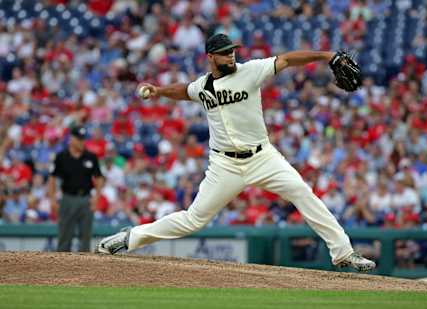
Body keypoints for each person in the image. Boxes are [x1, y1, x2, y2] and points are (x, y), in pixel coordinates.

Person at [96, 34, 376, 271]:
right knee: (193, 219)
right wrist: (158, 90)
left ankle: (343, 252)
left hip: (262, 157)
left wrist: (326, 55)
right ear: (210, 57)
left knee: (302, 192)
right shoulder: (203, 86)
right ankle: (130, 238)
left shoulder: (250, 71)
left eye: (232, 52)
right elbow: (184, 90)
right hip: (224, 165)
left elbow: (287, 59)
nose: (230, 57)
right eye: (224, 53)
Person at [48, 125, 104, 252]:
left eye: (83, 139)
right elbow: (52, 179)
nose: (82, 142)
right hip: (68, 198)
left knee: (85, 239)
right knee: (64, 238)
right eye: (79, 139)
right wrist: (52, 200)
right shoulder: (61, 157)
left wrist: (96, 197)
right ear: (71, 139)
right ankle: (61, 270)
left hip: (86, 199)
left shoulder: (91, 157)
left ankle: (84, 270)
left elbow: (99, 177)